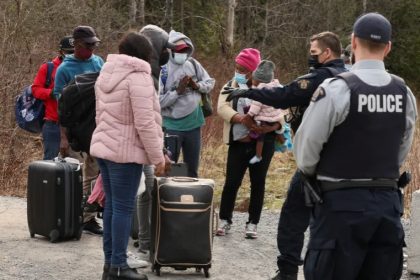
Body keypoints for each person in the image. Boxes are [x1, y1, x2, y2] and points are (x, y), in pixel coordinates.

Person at [294, 13, 417, 279]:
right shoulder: (403, 93)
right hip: (386, 204)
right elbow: (402, 146)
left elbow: (306, 151)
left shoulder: (337, 89)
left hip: (340, 202)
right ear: (388, 47)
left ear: (353, 42)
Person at [223, 32, 346, 280]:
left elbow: (283, 96)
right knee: (333, 221)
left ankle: (289, 271)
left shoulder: (321, 78)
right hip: (344, 163)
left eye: (314, 53)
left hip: (316, 160)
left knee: (294, 217)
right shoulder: (350, 77)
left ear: (327, 53)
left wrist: (250, 93)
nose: (310, 58)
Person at [90, 32, 167, 280]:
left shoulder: (106, 72)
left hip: (105, 148)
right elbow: (145, 123)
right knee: (123, 208)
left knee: (112, 206)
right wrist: (158, 158)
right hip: (124, 154)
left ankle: (110, 264)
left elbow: (100, 113)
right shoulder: (139, 78)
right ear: (145, 54)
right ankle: (120, 267)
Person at [216, 48, 279, 239]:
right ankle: (225, 219)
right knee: (232, 182)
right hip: (238, 142)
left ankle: (253, 223)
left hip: (263, 142)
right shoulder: (231, 85)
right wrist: (240, 118)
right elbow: (221, 107)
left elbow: (282, 110)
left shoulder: (271, 86)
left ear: (253, 70)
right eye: (237, 67)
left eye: (243, 68)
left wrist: (270, 127)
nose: (238, 71)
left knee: (258, 183)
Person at [53, 25, 104, 235]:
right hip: (75, 129)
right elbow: (60, 105)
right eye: (88, 45)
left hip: (95, 127)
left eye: (94, 44)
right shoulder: (65, 69)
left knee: (93, 173)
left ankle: (88, 218)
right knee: (74, 172)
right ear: (77, 45)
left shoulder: (98, 62)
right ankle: (69, 215)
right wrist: (63, 138)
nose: (92, 49)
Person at [135, 24, 175, 258]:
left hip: (142, 144)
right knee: (144, 190)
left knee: (146, 191)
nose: (167, 55)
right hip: (138, 146)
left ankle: (146, 241)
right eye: (164, 50)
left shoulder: (149, 73)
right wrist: (158, 152)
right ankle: (144, 242)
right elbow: (145, 120)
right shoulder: (144, 76)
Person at [159, 30, 215, 178]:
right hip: (172, 127)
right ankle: (170, 197)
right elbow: (158, 102)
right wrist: (178, 91)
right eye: (179, 51)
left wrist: (197, 86)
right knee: (170, 169)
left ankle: (189, 197)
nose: (182, 53)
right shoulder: (163, 70)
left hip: (194, 125)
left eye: (185, 50)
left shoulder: (193, 64)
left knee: (191, 170)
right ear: (170, 50)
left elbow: (210, 82)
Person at [235, 60, 287, 164]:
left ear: (259, 81)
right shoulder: (277, 88)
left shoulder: (259, 93)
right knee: (279, 131)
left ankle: (258, 155)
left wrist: (248, 116)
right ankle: (283, 142)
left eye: (254, 78)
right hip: (276, 117)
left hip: (265, 119)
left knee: (260, 137)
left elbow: (255, 108)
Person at [32, 35, 74, 160]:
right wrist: (53, 93)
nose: (71, 55)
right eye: (68, 52)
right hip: (53, 123)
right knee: (50, 164)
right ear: (61, 51)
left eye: (73, 52)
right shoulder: (48, 68)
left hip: (76, 125)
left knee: (76, 166)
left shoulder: (82, 66)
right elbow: (35, 89)